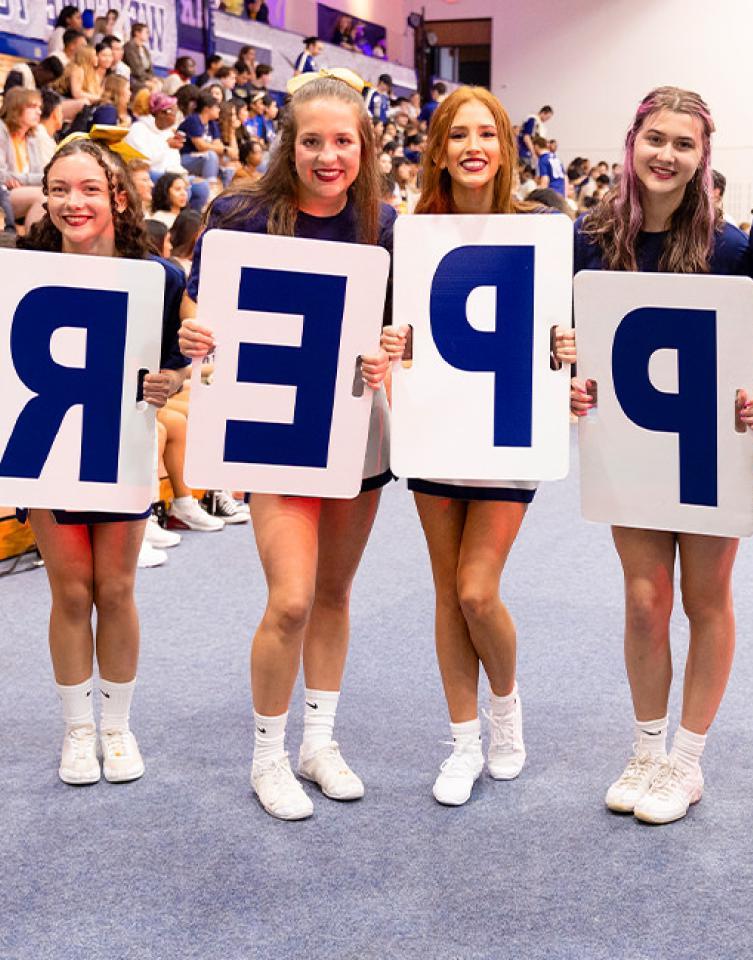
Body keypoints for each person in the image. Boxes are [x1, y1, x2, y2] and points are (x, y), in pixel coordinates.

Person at [178, 72, 395, 821]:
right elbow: (201, 307)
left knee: (334, 595)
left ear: (364, 148)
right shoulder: (240, 212)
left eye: (343, 142)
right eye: (313, 142)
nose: (328, 156)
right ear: (289, 145)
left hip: (355, 432)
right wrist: (194, 334)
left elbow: (398, 333)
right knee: (291, 599)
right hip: (274, 432)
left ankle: (319, 741)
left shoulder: (384, 223)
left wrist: (388, 354)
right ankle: (268, 754)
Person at [558, 87, 753, 825]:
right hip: (633, 445)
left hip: (709, 451)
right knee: (646, 601)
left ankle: (686, 760)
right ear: (631, 141)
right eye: (655, 138)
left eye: (683, 144)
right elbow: (567, 342)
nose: (666, 155)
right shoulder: (590, 235)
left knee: (706, 601)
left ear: (703, 156)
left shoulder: (733, 247)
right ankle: (646, 749)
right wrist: (571, 387)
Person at [379, 86, 570, 808]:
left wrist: (566, 341)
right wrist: (392, 340)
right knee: (444, 592)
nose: (472, 148)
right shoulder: (412, 234)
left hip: (509, 431)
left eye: (485, 134)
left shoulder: (542, 231)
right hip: (435, 427)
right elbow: (396, 330)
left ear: (505, 147)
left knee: (476, 589)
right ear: (438, 148)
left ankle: (507, 711)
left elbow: (560, 330)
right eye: (458, 135)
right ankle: (462, 741)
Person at [17, 138, 188, 786]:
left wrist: (173, 378)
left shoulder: (157, 275)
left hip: (119, 447)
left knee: (116, 590)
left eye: (88, 188)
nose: (72, 202)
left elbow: (180, 360)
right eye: (59, 189)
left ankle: (116, 728)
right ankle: (77, 729)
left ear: (117, 194)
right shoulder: (20, 270)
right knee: (70, 591)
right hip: (46, 448)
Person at [0, 88, 46, 222]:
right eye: (32, 107)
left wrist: (23, 182)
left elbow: (39, 173)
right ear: (15, 108)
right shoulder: (1, 130)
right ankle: (32, 242)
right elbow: (2, 176)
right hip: (3, 192)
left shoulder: (32, 137)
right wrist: (31, 181)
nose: (39, 112)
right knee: (42, 197)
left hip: (18, 191)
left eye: (39, 107)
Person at [178, 90, 225, 188]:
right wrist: (217, 148)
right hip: (185, 158)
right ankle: (210, 189)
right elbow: (201, 146)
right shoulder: (193, 120)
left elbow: (219, 146)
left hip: (200, 157)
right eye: (216, 107)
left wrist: (213, 148)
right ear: (207, 109)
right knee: (211, 156)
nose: (219, 110)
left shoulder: (212, 123)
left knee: (228, 170)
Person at [123, 23, 153, 89]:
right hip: (133, 79)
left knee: (160, 83)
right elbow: (137, 70)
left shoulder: (144, 48)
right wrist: (147, 80)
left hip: (144, 78)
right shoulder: (129, 47)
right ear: (137, 33)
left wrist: (151, 78)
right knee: (152, 86)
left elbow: (150, 68)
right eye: (146, 32)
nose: (148, 35)